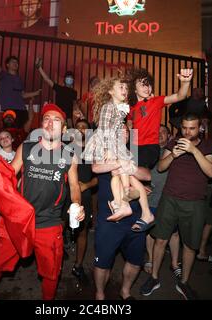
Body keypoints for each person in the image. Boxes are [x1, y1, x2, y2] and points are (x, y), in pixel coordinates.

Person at [0, 103, 85, 300]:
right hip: (20, 220)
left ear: (63, 129)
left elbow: (74, 186)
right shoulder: (26, 148)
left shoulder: (69, 155)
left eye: (56, 120)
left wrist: (77, 204)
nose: (49, 123)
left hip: (50, 222)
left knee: (51, 273)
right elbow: (8, 176)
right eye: (46, 119)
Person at [140, 113, 212, 300]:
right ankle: (154, 277)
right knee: (160, 239)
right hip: (170, 199)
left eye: (192, 128)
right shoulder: (174, 143)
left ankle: (184, 282)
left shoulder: (207, 146)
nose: (187, 132)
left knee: (190, 245)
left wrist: (194, 151)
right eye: (184, 128)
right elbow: (161, 167)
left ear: (200, 129)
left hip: (195, 202)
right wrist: (173, 154)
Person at [81, 77, 154, 232]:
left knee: (119, 173)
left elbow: (121, 125)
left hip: (114, 145)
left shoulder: (122, 108)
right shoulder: (108, 107)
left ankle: (124, 203)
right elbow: (104, 128)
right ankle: (125, 202)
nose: (125, 91)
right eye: (121, 87)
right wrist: (108, 148)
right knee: (118, 171)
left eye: (126, 88)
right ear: (110, 91)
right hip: (106, 142)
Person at [91, 124, 151, 300]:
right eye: (119, 131)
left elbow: (147, 175)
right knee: (103, 262)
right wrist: (118, 163)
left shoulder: (134, 152)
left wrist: (131, 168)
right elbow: (95, 168)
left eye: (126, 131)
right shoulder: (104, 150)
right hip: (110, 219)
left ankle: (125, 291)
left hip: (135, 217)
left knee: (134, 260)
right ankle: (100, 294)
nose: (123, 133)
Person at [127, 68, 193, 170]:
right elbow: (131, 123)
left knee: (131, 171)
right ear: (134, 89)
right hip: (134, 146)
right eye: (142, 84)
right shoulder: (131, 108)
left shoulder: (155, 102)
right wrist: (131, 143)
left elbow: (180, 96)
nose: (147, 87)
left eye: (148, 84)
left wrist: (185, 83)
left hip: (149, 147)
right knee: (129, 175)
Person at [145, 125, 182, 281]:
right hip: (151, 199)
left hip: (170, 199)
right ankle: (151, 259)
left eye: (163, 132)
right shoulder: (147, 151)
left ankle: (174, 263)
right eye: (156, 132)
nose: (159, 135)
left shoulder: (175, 152)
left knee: (174, 233)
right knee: (150, 231)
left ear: (169, 136)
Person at [0, 34, 41, 128]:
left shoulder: (19, 79)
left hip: (22, 110)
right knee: (9, 132)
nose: (15, 64)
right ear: (7, 65)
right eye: (13, 62)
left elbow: (22, 94)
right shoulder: (3, 75)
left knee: (21, 135)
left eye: (17, 62)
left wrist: (36, 93)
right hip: (10, 110)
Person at [69, 119, 98, 282]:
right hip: (65, 195)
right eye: (78, 127)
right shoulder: (65, 149)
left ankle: (78, 265)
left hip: (84, 196)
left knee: (82, 231)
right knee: (59, 228)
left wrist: (86, 185)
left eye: (84, 128)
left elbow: (101, 178)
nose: (80, 130)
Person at [36, 58, 77, 128]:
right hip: (58, 114)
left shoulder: (74, 92)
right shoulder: (59, 88)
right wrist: (39, 68)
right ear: (64, 79)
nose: (69, 79)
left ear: (73, 80)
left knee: (69, 133)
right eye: (68, 77)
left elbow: (75, 105)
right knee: (57, 131)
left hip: (69, 117)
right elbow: (47, 79)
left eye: (71, 78)